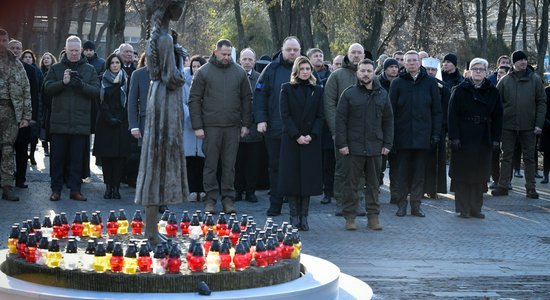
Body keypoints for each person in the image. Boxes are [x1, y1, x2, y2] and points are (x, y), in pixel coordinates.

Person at [137, 0, 188, 243]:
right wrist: (183, 71)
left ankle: (151, 229)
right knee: (159, 160)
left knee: (153, 161)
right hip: (166, 101)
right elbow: (171, 77)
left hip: (157, 97)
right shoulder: (165, 39)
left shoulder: (158, 37)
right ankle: (150, 231)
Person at [189, 39, 252, 214]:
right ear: (215, 52)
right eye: (223, 54)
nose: (226, 57)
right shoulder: (203, 72)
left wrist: (246, 124)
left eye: (229, 54)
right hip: (210, 127)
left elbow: (247, 99)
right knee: (210, 165)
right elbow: (194, 99)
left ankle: (228, 200)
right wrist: (198, 126)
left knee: (229, 166)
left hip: (232, 127)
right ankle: (210, 200)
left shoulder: (239, 72)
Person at [336, 58, 393, 231]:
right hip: (353, 148)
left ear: (374, 72)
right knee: (351, 184)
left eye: (369, 71)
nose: (366, 74)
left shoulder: (383, 94)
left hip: (376, 147)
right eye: (363, 71)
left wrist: (388, 144)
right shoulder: (349, 93)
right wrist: (342, 144)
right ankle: (350, 217)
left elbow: (389, 120)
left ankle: (373, 217)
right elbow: (340, 120)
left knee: (375, 185)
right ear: (357, 73)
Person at [44, 35, 100, 201]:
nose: (74, 53)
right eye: (71, 50)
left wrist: (81, 85)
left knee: (77, 160)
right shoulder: (55, 68)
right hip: (59, 122)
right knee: (57, 160)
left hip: (80, 122)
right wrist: (63, 83)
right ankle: (56, 190)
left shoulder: (89, 69)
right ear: (66, 50)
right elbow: (46, 89)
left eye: (77, 50)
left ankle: (75, 190)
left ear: (81, 50)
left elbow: (97, 91)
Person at [389, 50, 442, 217]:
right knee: (402, 172)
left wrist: (435, 134)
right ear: (403, 63)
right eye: (408, 61)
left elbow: (436, 111)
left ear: (420, 63)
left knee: (419, 173)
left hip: (423, 135)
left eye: (414, 60)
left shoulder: (430, 83)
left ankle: (416, 205)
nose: (411, 63)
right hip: (402, 135)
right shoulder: (397, 83)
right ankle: (402, 204)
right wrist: (391, 137)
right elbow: (390, 113)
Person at [448, 58, 503, 218]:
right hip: (464, 137)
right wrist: (454, 137)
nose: (478, 71)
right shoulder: (459, 90)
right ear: (470, 71)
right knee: (462, 175)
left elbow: (498, 117)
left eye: (481, 69)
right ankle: (463, 208)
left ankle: (476, 208)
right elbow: (452, 115)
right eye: (475, 69)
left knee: (480, 176)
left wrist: (495, 139)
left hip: (483, 137)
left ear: (486, 72)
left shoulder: (493, 91)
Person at [254, 36, 302, 216]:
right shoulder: (271, 69)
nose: (292, 53)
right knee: (275, 167)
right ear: (282, 50)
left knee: (296, 168)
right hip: (275, 128)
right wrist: (260, 119)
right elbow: (260, 95)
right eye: (289, 49)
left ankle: (295, 206)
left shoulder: (305, 69)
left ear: (300, 51)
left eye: (295, 50)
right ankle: (275, 204)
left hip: (298, 131)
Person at [491, 50, 546, 199]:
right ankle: (503, 186)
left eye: (525, 60)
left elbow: (541, 103)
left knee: (529, 158)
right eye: (520, 60)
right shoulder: (505, 80)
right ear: (514, 62)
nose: (523, 62)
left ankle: (531, 188)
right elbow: (496, 103)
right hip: (507, 126)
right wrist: (498, 123)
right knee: (506, 157)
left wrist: (538, 124)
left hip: (529, 126)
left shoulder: (535, 80)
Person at [278, 56, 324, 231]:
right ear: (296, 71)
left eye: (308, 69)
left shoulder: (317, 90)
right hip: (292, 140)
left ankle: (304, 217)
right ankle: (293, 216)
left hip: (310, 141)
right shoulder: (287, 89)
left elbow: (321, 116)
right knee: (292, 179)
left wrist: (312, 135)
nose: (306, 72)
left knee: (307, 180)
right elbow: (285, 115)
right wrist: (297, 135)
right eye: (302, 69)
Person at [324, 43, 366, 216]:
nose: (356, 55)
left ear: (363, 55)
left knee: (361, 169)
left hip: (364, 133)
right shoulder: (337, 76)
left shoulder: (370, 75)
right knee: (342, 168)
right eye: (353, 52)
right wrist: (335, 131)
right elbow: (329, 104)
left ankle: (359, 202)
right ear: (347, 55)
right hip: (343, 132)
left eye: (359, 53)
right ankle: (341, 202)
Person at [93, 53, 131, 199]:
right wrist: (109, 118)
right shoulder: (102, 79)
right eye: (112, 63)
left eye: (117, 63)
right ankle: (108, 187)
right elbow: (100, 102)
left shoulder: (127, 80)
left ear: (121, 64)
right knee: (107, 158)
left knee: (119, 159)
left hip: (122, 122)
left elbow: (129, 101)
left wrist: (120, 118)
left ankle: (116, 188)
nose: (115, 65)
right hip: (105, 123)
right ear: (108, 65)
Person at [0, 28, 31, 201]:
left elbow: (26, 90)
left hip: (10, 111)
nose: (2, 44)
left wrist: (26, 116)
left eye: (4, 40)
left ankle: (7, 186)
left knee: (7, 149)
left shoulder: (16, 64)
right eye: (0, 40)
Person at [8, 40, 39, 189]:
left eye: (18, 48)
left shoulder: (30, 70)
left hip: (23, 118)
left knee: (21, 150)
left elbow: (34, 95)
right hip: (5, 117)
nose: (15, 50)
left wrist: (32, 118)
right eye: (12, 48)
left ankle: (20, 179)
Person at [234, 48, 262, 203]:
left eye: (250, 59)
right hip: (235, 127)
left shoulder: (259, 78)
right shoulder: (233, 77)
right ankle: (237, 191)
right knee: (237, 162)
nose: (247, 62)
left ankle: (251, 191)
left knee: (253, 163)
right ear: (239, 60)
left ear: (254, 61)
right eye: (244, 59)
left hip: (254, 129)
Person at [422, 57, 450, 199]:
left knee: (435, 161)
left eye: (433, 69)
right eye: (428, 69)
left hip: (437, 129)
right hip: (421, 129)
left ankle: (433, 188)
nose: (431, 72)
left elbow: (445, 111)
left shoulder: (443, 88)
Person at [183, 55, 206, 202]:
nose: (196, 69)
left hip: (205, 125)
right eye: (194, 66)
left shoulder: (208, 82)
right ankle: (191, 190)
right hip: (187, 124)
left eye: (198, 66)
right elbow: (182, 103)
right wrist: (191, 117)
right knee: (190, 159)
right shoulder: (184, 84)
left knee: (203, 160)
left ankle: (202, 189)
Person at [39, 52, 57, 157]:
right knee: (44, 126)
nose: (46, 60)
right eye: (44, 58)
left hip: (52, 102)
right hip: (44, 102)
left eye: (48, 58)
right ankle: (45, 147)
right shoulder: (40, 72)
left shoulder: (55, 71)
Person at [539, 86, 550, 184]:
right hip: (548, 126)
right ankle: (545, 175)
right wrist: (546, 120)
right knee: (547, 153)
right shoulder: (546, 91)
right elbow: (542, 106)